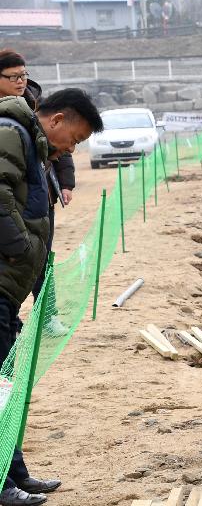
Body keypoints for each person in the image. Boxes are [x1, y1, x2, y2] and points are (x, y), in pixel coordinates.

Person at [0, 88, 103, 506]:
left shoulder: (34, 143)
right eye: (75, 140)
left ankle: (14, 474)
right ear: (57, 120)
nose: (71, 149)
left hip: (8, 288)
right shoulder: (11, 133)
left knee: (6, 386)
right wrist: (24, 248)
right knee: (1, 389)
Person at [0, 51, 75, 336]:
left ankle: (47, 315)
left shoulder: (36, 104)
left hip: (41, 194)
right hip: (11, 201)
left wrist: (66, 183)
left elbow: (61, 146)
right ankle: (12, 321)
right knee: (14, 259)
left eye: (24, 74)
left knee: (41, 258)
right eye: (14, 76)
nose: (21, 81)